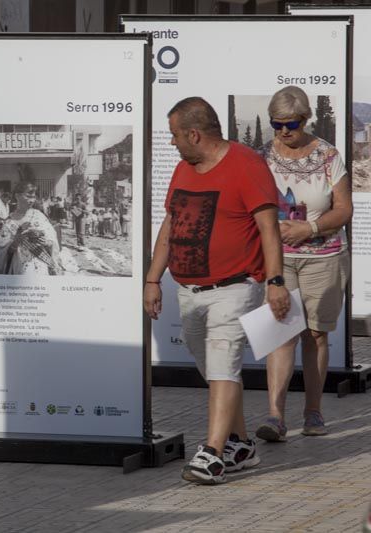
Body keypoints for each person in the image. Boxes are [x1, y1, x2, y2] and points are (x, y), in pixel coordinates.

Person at [143, 96, 290, 485]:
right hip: (189, 289)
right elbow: (170, 225)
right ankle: (240, 443)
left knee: (224, 362)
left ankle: (212, 453)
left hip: (236, 286)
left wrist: (275, 282)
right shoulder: (183, 169)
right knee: (213, 369)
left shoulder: (247, 165)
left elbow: (269, 229)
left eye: (175, 135)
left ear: (194, 133)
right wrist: (153, 278)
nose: (172, 142)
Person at [255, 86, 352, 441]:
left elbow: (343, 209)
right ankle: (275, 417)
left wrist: (309, 227)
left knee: (315, 334)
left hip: (323, 258)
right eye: (275, 124)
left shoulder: (328, 155)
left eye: (291, 124)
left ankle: (314, 412)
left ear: (306, 119)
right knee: (281, 335)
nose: (283, 131)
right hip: (278, 259)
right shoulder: (261, 156)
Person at [0, 181, 60, 275]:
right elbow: (1, 251)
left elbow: (52, 239)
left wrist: (45, 242)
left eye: (34, 197)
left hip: (41, 264)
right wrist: (17, 240)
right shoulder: (10, 221)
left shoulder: (39, 216)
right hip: (19, 267)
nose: (32, 200)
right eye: (28, 196)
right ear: (17, 196)